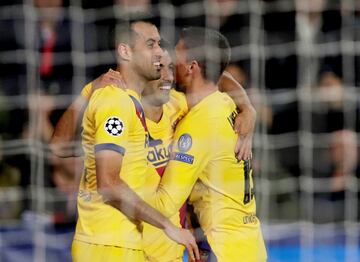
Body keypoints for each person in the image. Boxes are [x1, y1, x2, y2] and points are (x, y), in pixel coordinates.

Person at [64, 20, 199, 262]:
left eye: (170, 66)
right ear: (126, 52)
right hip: (108, 244)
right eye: (152, 47)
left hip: (140, 245)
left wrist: (247, 110)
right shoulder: (116, 101)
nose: (167, 75)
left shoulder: (177, 106)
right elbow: (107, 183)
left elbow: (214, 84)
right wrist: (168, 226)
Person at [150, 27, 267, 261]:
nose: (170, 62)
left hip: (221, 250)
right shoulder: (225, 103)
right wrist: (248, 107)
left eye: (176, 57)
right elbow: (216, 71)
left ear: (192, 67)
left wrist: (121, 182)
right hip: (249, 246)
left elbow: (164, 204)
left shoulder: (198, 125)